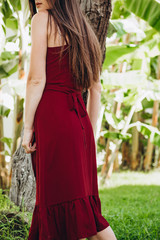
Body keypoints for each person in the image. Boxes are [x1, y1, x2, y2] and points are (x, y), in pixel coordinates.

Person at [22, 0, 117, 239]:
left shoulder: (41, 20)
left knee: (58, 206)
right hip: (80, 125)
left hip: (53, 122)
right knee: (86, 213)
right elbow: (96, 90)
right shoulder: (84, 30)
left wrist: (26, 128)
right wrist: (88, 134)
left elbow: (35, 79)